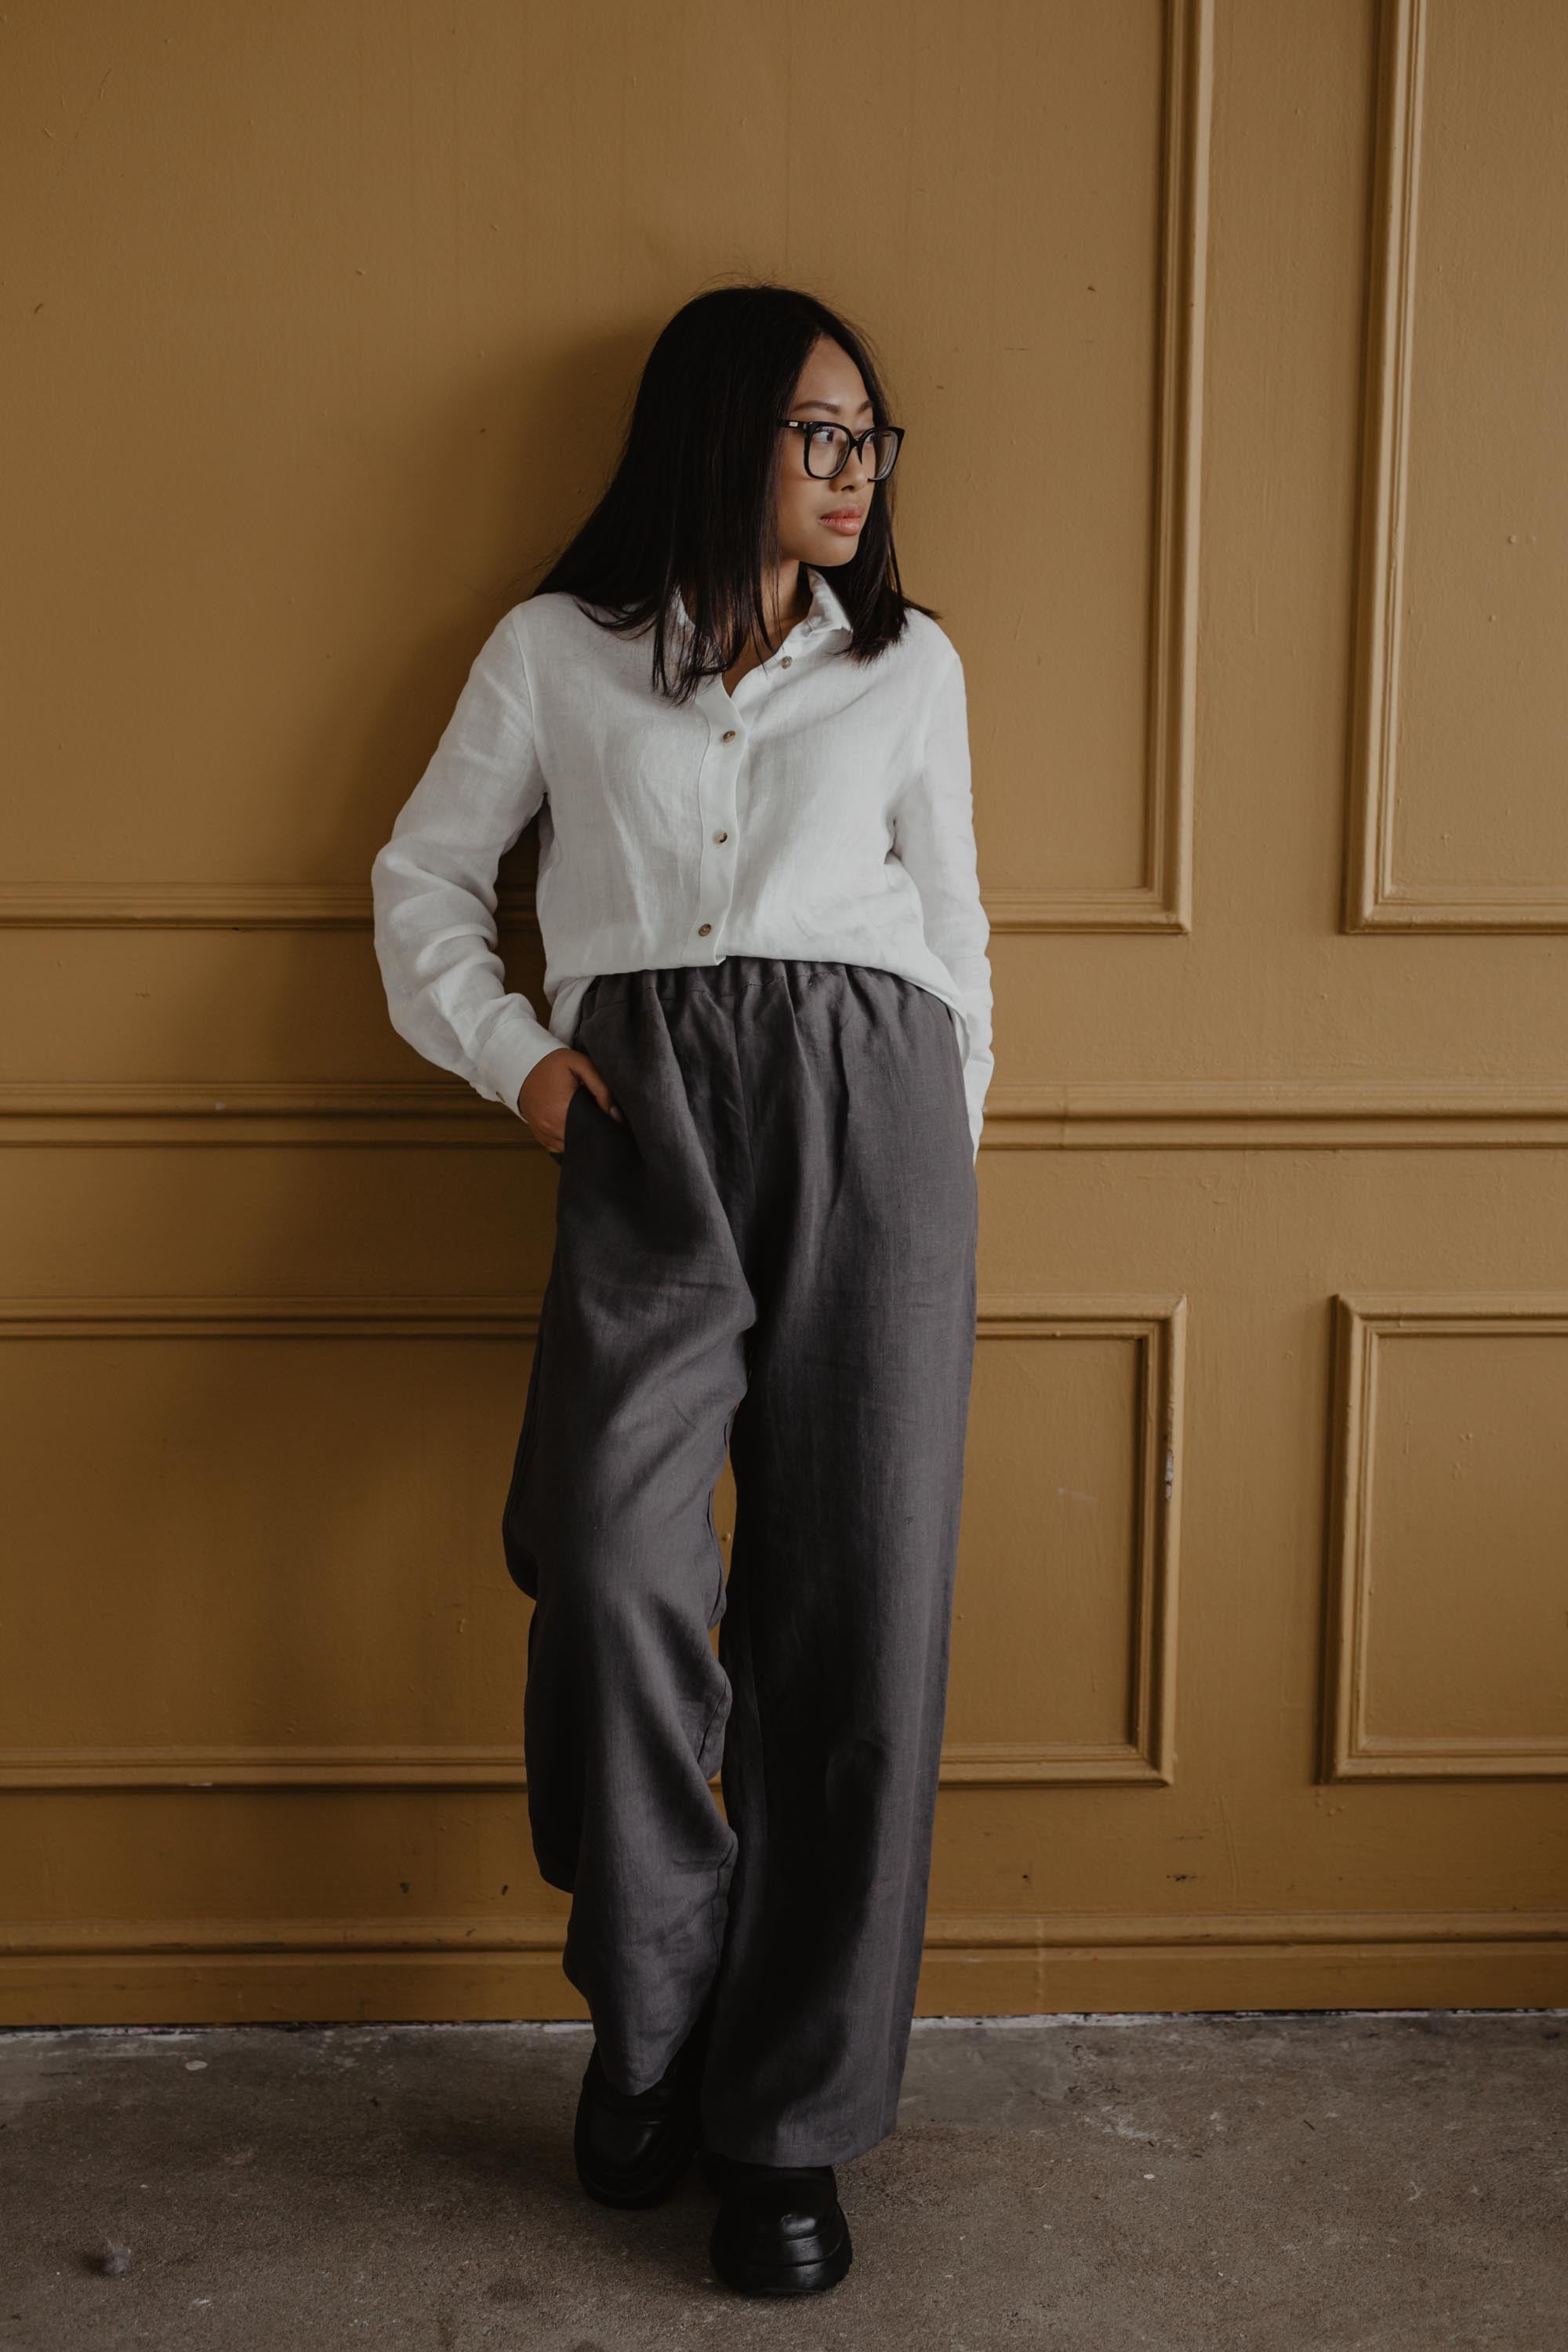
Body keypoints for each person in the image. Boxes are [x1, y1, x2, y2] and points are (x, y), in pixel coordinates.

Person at [369, 281, 993, 2299]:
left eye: (870, 441)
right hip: (643, 1119)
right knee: (614, 1569)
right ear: (719, 430)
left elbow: (959, 943)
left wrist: (930, 1158)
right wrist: (527, 1067)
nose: (853, 472)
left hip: (871, 1121)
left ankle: (785, 2128)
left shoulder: (908, 671)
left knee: (856, 1625)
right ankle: (652, 2020)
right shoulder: (558, 653)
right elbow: (423, 879)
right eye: (820, 432)